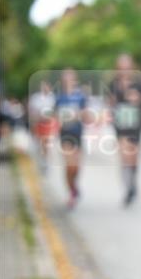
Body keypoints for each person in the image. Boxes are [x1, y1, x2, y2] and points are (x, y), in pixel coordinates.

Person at [108, 54, 141, 207]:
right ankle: (128, 188)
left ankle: (133, 182)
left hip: (135, 124)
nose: (124, 70)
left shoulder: (139, 83)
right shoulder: (113, 84)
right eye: (121, 67)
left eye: (127, 67)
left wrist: (138, 99)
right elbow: (110, 103)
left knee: (134, 157)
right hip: (121, 124)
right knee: (124, 156)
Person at [54, 69, 87, 209]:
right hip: (65, 134)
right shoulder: (59, 97)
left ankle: (74, 186)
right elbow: (55, 115)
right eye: (66, 78)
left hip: (77, 133)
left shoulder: (80, 96)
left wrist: (78, 115)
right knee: (69, 165)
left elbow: (86, 115)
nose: (68, 81)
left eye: (71, 78)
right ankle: (72, 193)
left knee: (76, 167)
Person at [28, 80, 58, 173]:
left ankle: (45, 162)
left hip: (48, 123)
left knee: (46, 143)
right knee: (39, 143)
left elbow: (54, 111)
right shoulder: (35, 98)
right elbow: (31, 111)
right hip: (38, 123)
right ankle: (41, 159)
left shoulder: (52, 98)